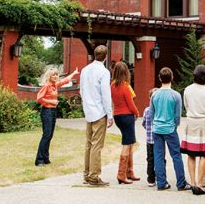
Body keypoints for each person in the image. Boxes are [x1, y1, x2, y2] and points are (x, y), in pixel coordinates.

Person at [151, 67, 190, 191]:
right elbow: (177, 115)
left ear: (159, 78)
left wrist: (154, 124)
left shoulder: (154, 95)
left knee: (158, 155)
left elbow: (152, 113)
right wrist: (175, 125)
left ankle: (161, 182)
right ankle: (181, 182)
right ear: (172, 77)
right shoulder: (176, 95)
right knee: (176, 155)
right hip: (170, 128)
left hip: (157, 128)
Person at [80, 45, 114, 186]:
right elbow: (106, 94)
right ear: (106, 57)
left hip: (88, 110)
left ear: (95, 55)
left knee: (88, 144)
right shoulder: (104, 72)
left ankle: (86, 174)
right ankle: (94, 176)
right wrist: (110, 114)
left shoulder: (85, 70)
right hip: (99, 111)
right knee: (97, 145)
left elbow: (81, 91)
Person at [181, 64, 205, 195]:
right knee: (204, 154)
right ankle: (199, 184)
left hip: (191, 121)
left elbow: (186, 106)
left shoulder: (187, 90)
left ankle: (192, 182)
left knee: (191, 154)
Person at [35, 66, 79, 166]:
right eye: (53, 75)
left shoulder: (54, 85)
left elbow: (64, 81)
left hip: (52, 111)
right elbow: (39, 98)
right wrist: (52, 101)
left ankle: (46, 158)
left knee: (49, 135)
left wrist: (74, 73)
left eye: (56, 75)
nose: (55, 76)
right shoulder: (46, 86)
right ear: (49, 76)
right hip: (47, 112)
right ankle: (39, 160)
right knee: (46, 135)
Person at [111, 61, 140, 184]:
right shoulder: (125, 86)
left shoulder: (112, 85)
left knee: (130, 142)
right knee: (127, 144)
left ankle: (129, 172)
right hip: (127, 116)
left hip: (117, 115)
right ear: (125, 73)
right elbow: (131, 104)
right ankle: (121, 174)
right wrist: (137, 113)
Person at [141, 88, 160, 187]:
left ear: (149, 98)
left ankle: (151, 179)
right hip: (159, 139)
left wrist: (148, 129)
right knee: (160, 158)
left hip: (149, 140)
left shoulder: (147, 110)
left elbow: (144, 123)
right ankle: (160, 177)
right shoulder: (160, 111)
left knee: (150, 159)